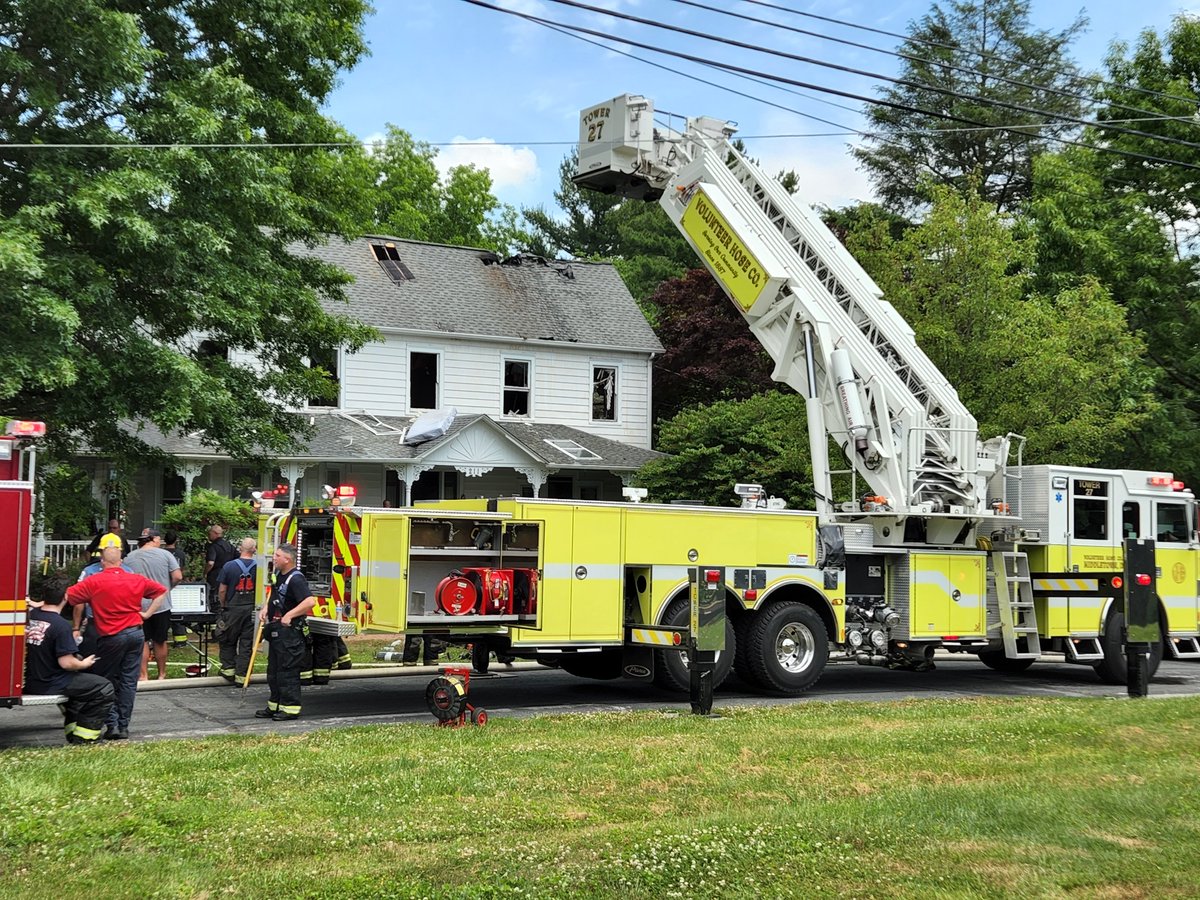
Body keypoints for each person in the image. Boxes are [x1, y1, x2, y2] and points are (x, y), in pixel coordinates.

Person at [66, 534, 168, 740]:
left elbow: (69, 597)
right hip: (135, 633)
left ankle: (112, 724)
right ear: (121, 561)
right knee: (129, 681)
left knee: (106, 681)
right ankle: (123, 726)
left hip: (111, 636)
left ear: (102, 561)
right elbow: (161, 592)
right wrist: (147, 614)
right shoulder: (136, 579)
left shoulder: (93, 581)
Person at [25, 574, 114, 744]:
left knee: (82, 689)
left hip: (33, 679)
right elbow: (66, 663)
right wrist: (84, 663)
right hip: (51, 681)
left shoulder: (34, 615)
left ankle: (73, 729)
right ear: (66, 596)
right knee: (103, 688)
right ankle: (85, 737)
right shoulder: (61, 625)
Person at [255, 543, 315, 721]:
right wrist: (266, 608)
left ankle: (290, 708)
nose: (274, 558)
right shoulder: (277, 575)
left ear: (287, 559)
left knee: (287, 671)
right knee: (273, 671)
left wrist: (289, 615)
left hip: (290, 633)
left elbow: (309, 602)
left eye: (277, 555)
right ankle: (274, 706)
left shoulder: (296, 579)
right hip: (276, 630)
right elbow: (274, 595)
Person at [123, 528, 182, 681]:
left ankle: (144, 675)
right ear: (154, 539)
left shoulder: (129, 557)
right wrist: (168, 588)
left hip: (138, 606)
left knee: (142, 640)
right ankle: (162, 674)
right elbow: (177, 576)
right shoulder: (166, 554)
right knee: (160, 640)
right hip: (161, 605)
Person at [215, 537, 258, 683]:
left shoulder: (229, 566)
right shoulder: (260, 566)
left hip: (232, 609)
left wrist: (223, 605)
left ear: (240, 548)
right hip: (252, 609)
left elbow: (222, 590)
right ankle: (242, 676)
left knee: (227, 639)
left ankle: (228, 670)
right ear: (254, 550)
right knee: (246, 643)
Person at [163, 530, 190, 647]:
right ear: (176, 541)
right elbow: (182, 569)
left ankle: (161, 637)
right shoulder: (180, 554)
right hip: (177, 583)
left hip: (163, 584)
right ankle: (180, 640)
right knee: (178, 611)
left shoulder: (161, 553)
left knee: (163, 610)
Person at [204, 525, 237, 608]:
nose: (209, 535)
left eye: (210, 533)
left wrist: (205, 572)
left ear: (215, 533)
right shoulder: (229, 546)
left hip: (215, 575)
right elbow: (238, 558)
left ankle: (215, 612)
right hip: (229, 574)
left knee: (214, 595)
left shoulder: (213, 546)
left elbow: (210, 563)